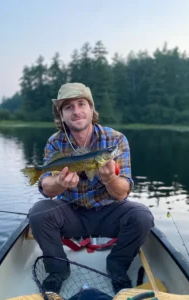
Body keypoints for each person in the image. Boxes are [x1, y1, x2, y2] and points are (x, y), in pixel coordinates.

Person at [28, 83, 154, 295]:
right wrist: (59, 182)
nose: (76, 111)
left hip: (109, 213)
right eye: (68, 107)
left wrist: (109, 179)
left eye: (81, 104)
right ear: (61, 115)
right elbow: (46, 188)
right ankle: (58, 271)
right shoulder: (55, 142)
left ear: (91, 108)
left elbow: (122, 192)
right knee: (39, 212)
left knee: (142, 216)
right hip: (71, 214)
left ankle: (117, 266)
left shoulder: (116, 139)